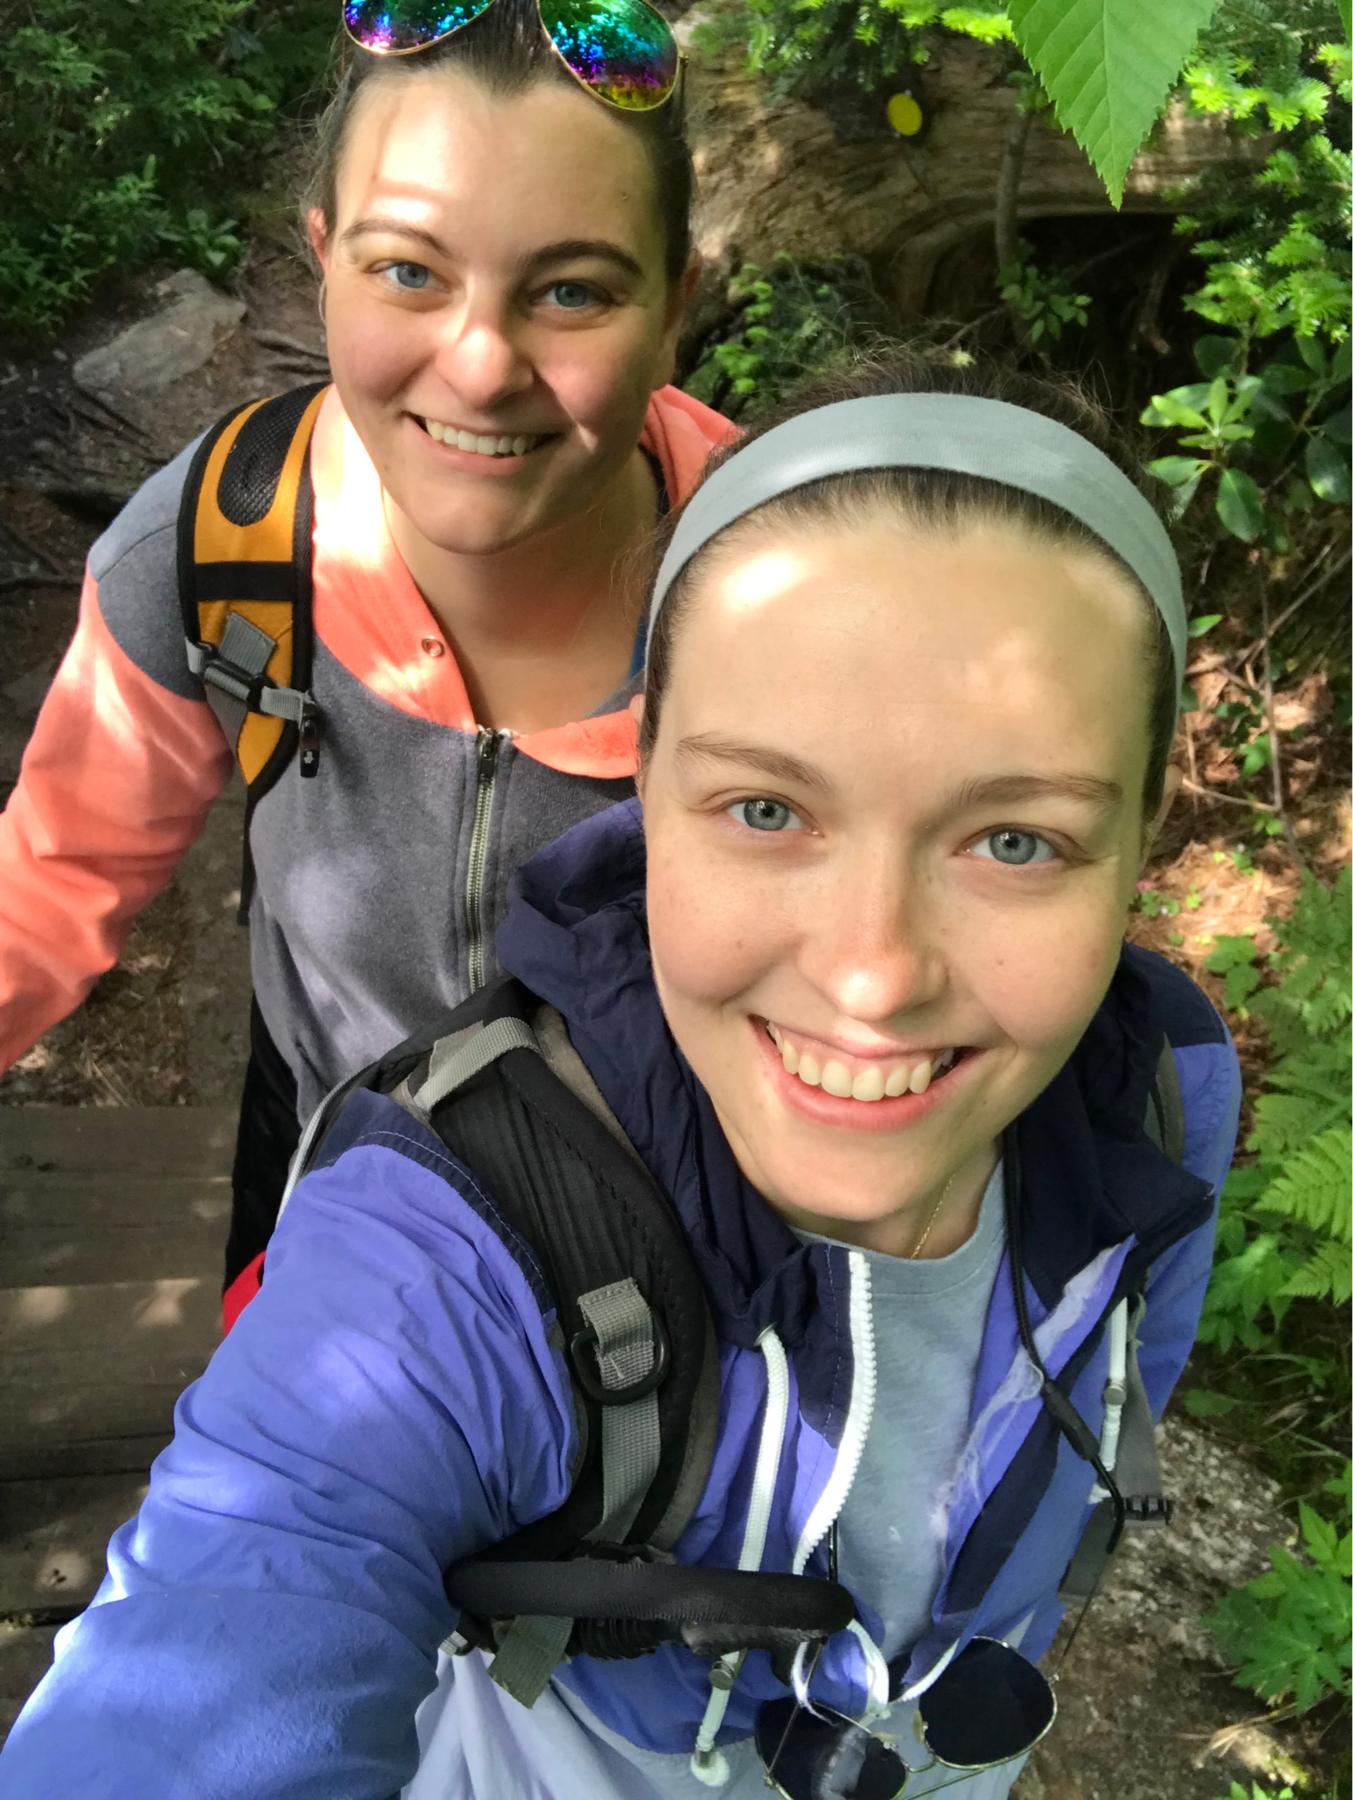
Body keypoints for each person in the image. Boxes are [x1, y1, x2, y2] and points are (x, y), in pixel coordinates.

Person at [0, 352, 1242, 1799]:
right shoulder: (459, 1240)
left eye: (1013, 841)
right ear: (639, 773)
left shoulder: (1160, 1085)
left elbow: (1107, 1412)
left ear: (1143, 826)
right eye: (765, 808)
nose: (872, 976)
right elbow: (229, 1622)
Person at [0, 0, 727, 1320]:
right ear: (321, 258)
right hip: (333, 1250)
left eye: (571, 290)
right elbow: (46, 882)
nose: (481, 366)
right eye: (407, 272)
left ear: (673, 305)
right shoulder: (227, 541)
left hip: (687, 1290)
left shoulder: (784, 588)